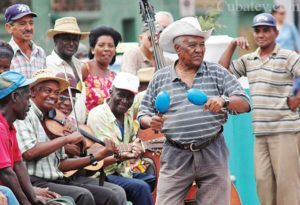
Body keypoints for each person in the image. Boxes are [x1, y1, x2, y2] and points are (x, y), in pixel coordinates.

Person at [138, 17, 251, 205]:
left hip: (213, 151)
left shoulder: (217, 72)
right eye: (192, 45)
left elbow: (245, 103)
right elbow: (143, 113)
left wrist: (223, 101)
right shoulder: (160, 78)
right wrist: (150, 122)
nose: (199, 49)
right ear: (178, 49)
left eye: (202, 44)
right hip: (175, 155)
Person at [219, 13, 300, 205]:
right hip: (261, 132)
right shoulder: (249, 60)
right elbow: (222, 73)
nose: (261, 34)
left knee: (287, 187)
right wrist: (232, 44)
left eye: (266, 30)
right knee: (263, 185)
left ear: (276, 32)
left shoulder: (288, 56)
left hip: (285, 131)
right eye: (257, 30)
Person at [14, 69, 127, 205]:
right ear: (32, 92)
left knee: (109, 196)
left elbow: (61, 165)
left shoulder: (51, 120)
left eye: (56, 92)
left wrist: (96, 156)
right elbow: (29, 152)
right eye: (48, 91)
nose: (53, 96)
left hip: (57, 178)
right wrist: (66, 139)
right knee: (84, 196)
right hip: (34, 180)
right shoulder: (26, 114)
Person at [87, 72, 155, 205]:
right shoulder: (98, 115)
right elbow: (110, 151)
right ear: (111, 92)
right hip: (102, 173)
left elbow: (146, 95)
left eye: (130, 97)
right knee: (141, 188)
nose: (125, 101)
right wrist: (129, 154)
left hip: (121, 172)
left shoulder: (127, 114)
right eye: (121, 95)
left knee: (153, 179)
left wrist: (136, 144)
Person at [0, 71, 45, 205]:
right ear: (14, 96)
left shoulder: (9, 127)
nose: (30, 104)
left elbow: (18, 165)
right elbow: (6, 173)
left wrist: (33, 198)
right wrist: (25, 202)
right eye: (27, 98)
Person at [46, 16, 90, 123]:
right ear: (56, 40)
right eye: (66, 39)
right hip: (57, 129)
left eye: (75, 39)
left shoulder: (80, 65)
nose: (71, 43)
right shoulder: (47, 64)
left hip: (80, 130)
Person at [81, 26, 122, 111]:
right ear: (92, 49)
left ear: (114, 51)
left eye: (111, 46)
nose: (106, 49)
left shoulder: (115, 77)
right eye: (101, 45)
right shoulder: (85, 69)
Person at [4, 4, 46, 78]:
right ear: (9, 27)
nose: (29, 28)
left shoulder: (40, 53)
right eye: (22, 24)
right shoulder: (4, 55)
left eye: (31, 23)